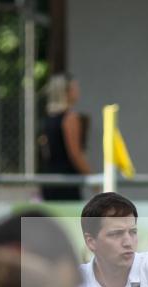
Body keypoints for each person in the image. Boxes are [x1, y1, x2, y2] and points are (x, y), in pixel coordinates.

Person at [38, 73, 91, 201]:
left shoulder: (48, 118)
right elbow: (75, 154)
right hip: (66, 181)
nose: (78, 91)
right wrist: (92, 177)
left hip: (49, 178)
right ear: (66, 92)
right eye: (75, 88)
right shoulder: (70, 118)